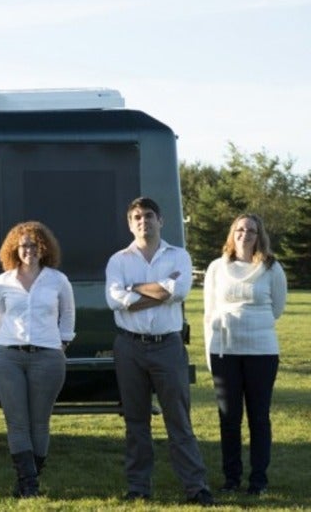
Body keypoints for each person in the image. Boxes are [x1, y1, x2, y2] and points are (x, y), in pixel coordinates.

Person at [105, 197, 214, 506]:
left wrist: (135, 288)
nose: (143, 221)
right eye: (137, 217)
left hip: (168, 346)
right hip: (129, 347)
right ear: (130, 223)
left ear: (161, 220)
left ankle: (196, 487)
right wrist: (159, 289)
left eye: (149, 215)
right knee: (135, 421)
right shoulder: (118, 260)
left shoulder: (179, 255)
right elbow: (114, 299)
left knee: (179, 420)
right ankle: (138, 487)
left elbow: (178, 291)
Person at [203, 214, 287, 496]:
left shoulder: (271, 268)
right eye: (239, 229)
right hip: (225, 351)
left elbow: (277, 308)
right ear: (232, 233)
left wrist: (251, 323)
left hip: (261, 351)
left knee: (259, 418)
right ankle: (231, 478)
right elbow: (209, 311)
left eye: (251, 230)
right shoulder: (217, 268)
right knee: (229, 418)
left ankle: (258, 481)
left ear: (259, 235)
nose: (244, 234)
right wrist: (210, 351)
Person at [0, 222, 74, 497]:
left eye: (35, 245)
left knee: (39, 422)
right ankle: (29, 485)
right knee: (16, 422)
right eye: (24, 245)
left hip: (47, 357)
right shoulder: (2, 282)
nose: (29, 250)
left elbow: (68, 314)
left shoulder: (57, 280)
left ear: (44, 248)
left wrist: (61, 343)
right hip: (8, 358)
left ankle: (27, 483)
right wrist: (0, 339)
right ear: (15, 248)